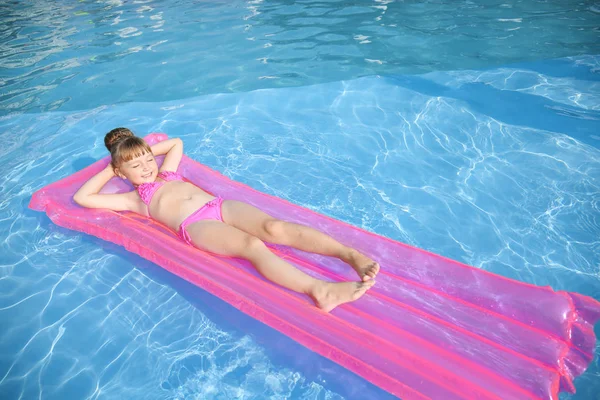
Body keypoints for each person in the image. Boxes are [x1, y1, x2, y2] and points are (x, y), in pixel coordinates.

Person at [74, 128, 380, 312]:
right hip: (196, 225)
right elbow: (83, 198)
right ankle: (319, 290)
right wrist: (112, 164)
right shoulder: (133, 199)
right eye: (135, 167)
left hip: (218, 205)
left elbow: (176, 142)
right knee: (252, 244)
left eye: (147, 160)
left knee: (274, 227)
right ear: (120, 173)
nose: (145, 168)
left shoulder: (168, 172)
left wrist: (135, 150)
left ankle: (349, 255)